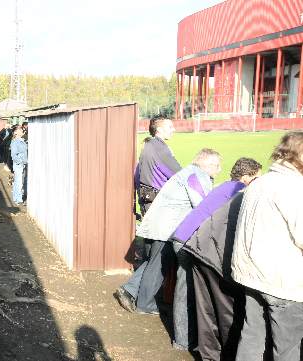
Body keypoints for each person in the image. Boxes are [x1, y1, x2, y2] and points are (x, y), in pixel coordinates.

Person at [114, 149, 221, 320]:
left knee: (154, 263)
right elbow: (202, 204)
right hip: (166, 228)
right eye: (216, 165)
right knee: (158, 267)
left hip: (158, 225)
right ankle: (145, 305)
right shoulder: (197, 175)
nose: (219, 169)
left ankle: (129, 290)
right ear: (206, 163)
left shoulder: (188, 172)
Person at [171, 158, 262, 360]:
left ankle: (187, 340)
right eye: (257, 177)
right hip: (191, 241)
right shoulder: (238, 189)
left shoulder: (225, 185)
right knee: (188, 293)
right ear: (246, 176)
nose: (258, 182)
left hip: (185, 237)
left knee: (191, 293)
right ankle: (184, 340)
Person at [231, 131, 303, 361]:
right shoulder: (293, 187)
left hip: (252, 275)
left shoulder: (261, 182)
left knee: (252, 337)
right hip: (282, 282)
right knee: (288, 348)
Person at [115, 118, 181, 307]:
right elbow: (180, 176)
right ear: (159, 129)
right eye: (170, 126)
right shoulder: (160, 148)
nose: (173, 129)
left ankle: (131, 289)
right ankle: (137, 295)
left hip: (149, 204)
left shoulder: (149, 148)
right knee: (159, 255)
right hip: (159, 207)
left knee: (155, 254)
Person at [10, 126, 27, 205]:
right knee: (19, 182)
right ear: (15, 132)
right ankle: (18, 199)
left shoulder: (22, 140)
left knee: (18, 181)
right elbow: (13, 155)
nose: (22, 131)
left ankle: (16, 198)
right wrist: (20, 161)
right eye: (20, 130)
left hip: (22, 163)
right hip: (18, 164)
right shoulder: (15, 142)